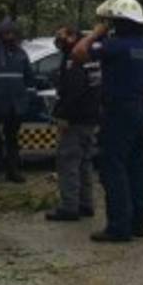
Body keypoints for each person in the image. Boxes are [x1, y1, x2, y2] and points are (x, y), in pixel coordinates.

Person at [71, 0, 143, 243]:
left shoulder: (114, 46)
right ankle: (138, 223)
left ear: (117, 23)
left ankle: (119, 226)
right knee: (138, 165)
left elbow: (78, 53)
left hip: (118, 112)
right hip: (142, 112)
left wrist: (96, 32)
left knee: (114, 166)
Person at [46, 26, 102, 222]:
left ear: (72, 36)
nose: (59, 39)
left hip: (75, 120)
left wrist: (63, 116)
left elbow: (73, 91)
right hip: (90, 118)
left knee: (68, 162)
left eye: (62, 35)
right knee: (84, 162)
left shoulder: (74, 58)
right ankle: (85, 203)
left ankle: (69, 207)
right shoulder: (91, 55)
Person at [0, 17, 35, 184]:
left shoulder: (21, 54)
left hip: (15, 105)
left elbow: (29, 78)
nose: (9, 36)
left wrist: (26, 98)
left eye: (12, 33)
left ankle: (12, 171)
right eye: (6, 33)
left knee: (12, 139)